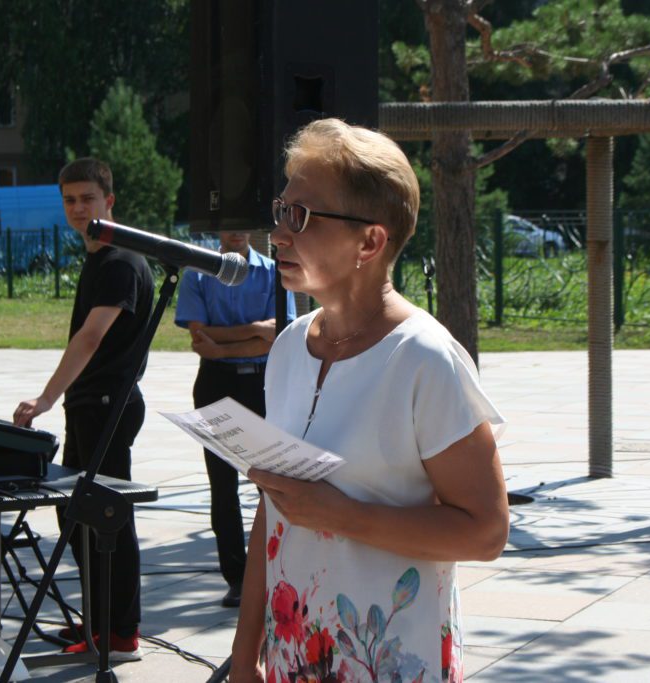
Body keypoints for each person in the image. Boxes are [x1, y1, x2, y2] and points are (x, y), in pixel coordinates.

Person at [229, 119, 510, 682]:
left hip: (391, 662)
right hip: (297, 654)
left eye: (301, 217)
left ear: (370, 241)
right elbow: (276, 502)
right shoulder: (288, 347)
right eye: (282, 210)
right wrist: (244, 652)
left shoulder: (426, 359)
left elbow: (486, 531)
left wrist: (345, 516)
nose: (279, 234)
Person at [13, 158, 153, 659]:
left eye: (87, 199)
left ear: (109, 201)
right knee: (81, 520)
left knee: (107, 520)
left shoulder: (119, 261)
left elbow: (90, 338)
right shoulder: (102, 258)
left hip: (107, 406)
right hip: (91, 405)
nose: (77, 208)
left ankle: (119, 632)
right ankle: (102, 627)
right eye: (69, 200)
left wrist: (46, 397)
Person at [175, 231, 296, 608]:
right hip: (215, 382)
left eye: (242, 223)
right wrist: (257, 331)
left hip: (260, 382)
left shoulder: (273, 272)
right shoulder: (197, 274)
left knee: (269, 481)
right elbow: (200, 338)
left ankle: (278, 569)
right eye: (227, 223)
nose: (234, 231)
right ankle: (237, 577)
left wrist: (230, 341)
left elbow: (280, 334)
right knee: (221, 485)